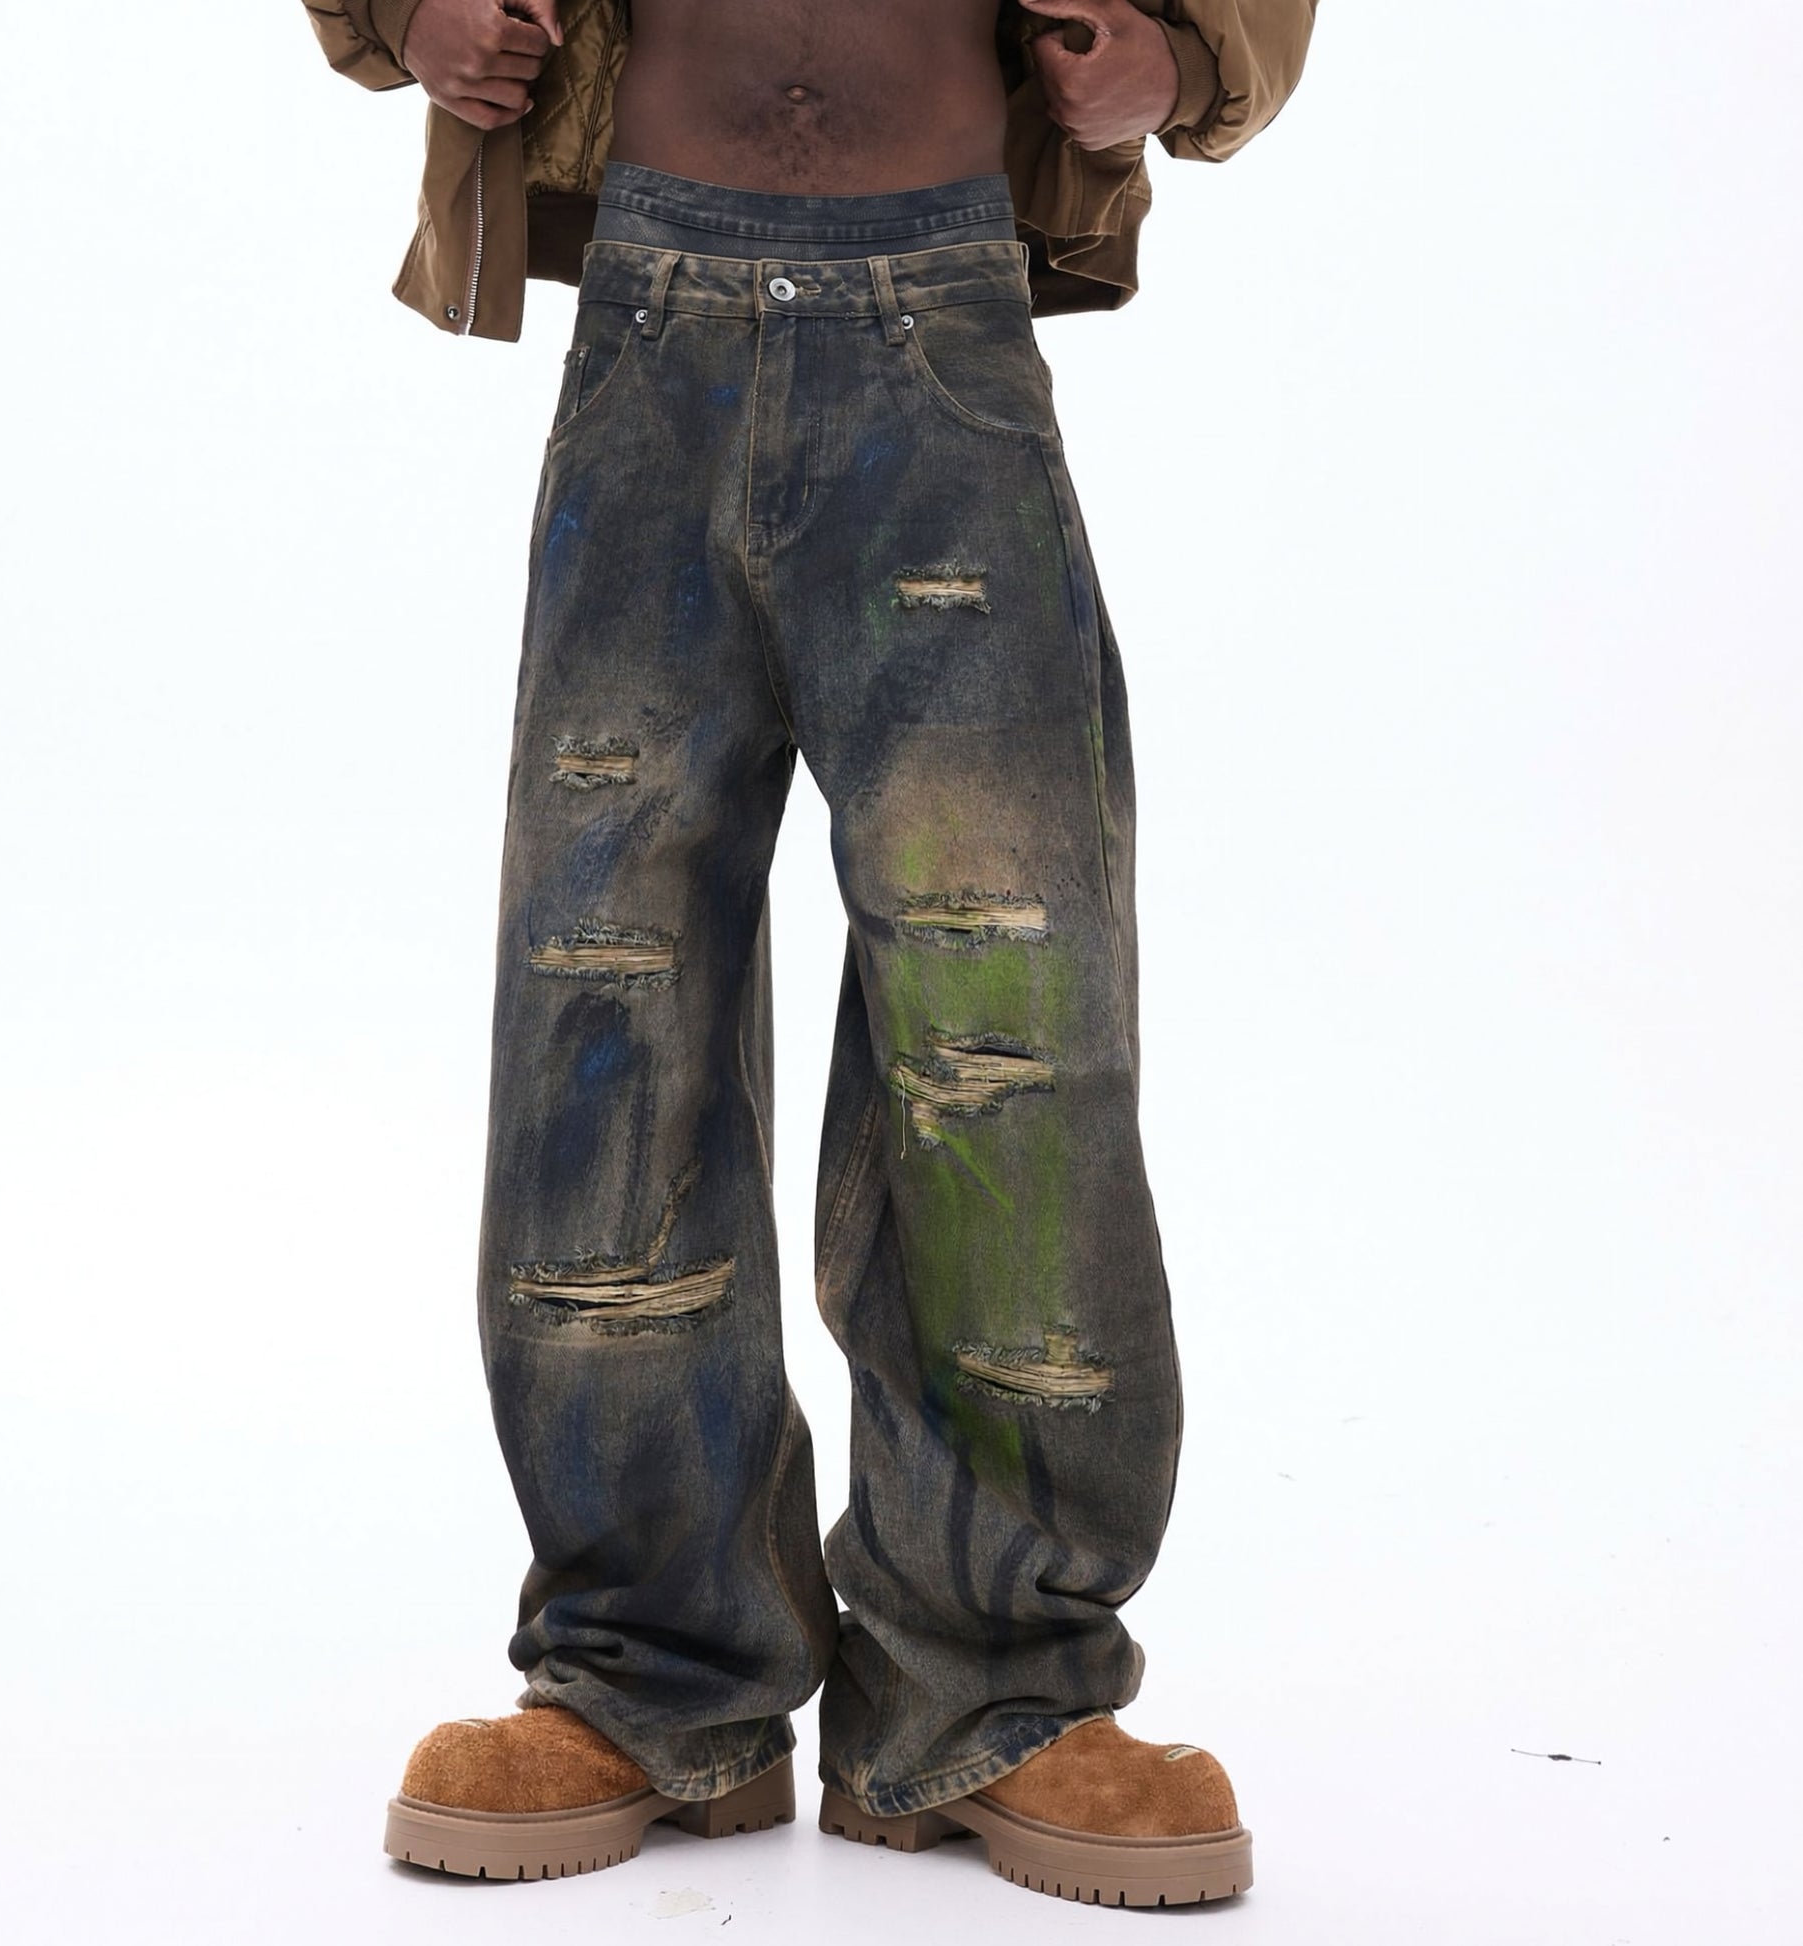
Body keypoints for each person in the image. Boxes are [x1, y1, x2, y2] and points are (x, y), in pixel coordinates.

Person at [300, 0, 1318, 1908]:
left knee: (1010, 1025)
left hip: (942, 313)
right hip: (651, 309)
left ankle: (997, 1683)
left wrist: (1190, 62)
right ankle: (643, 1676)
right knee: (603, 996)